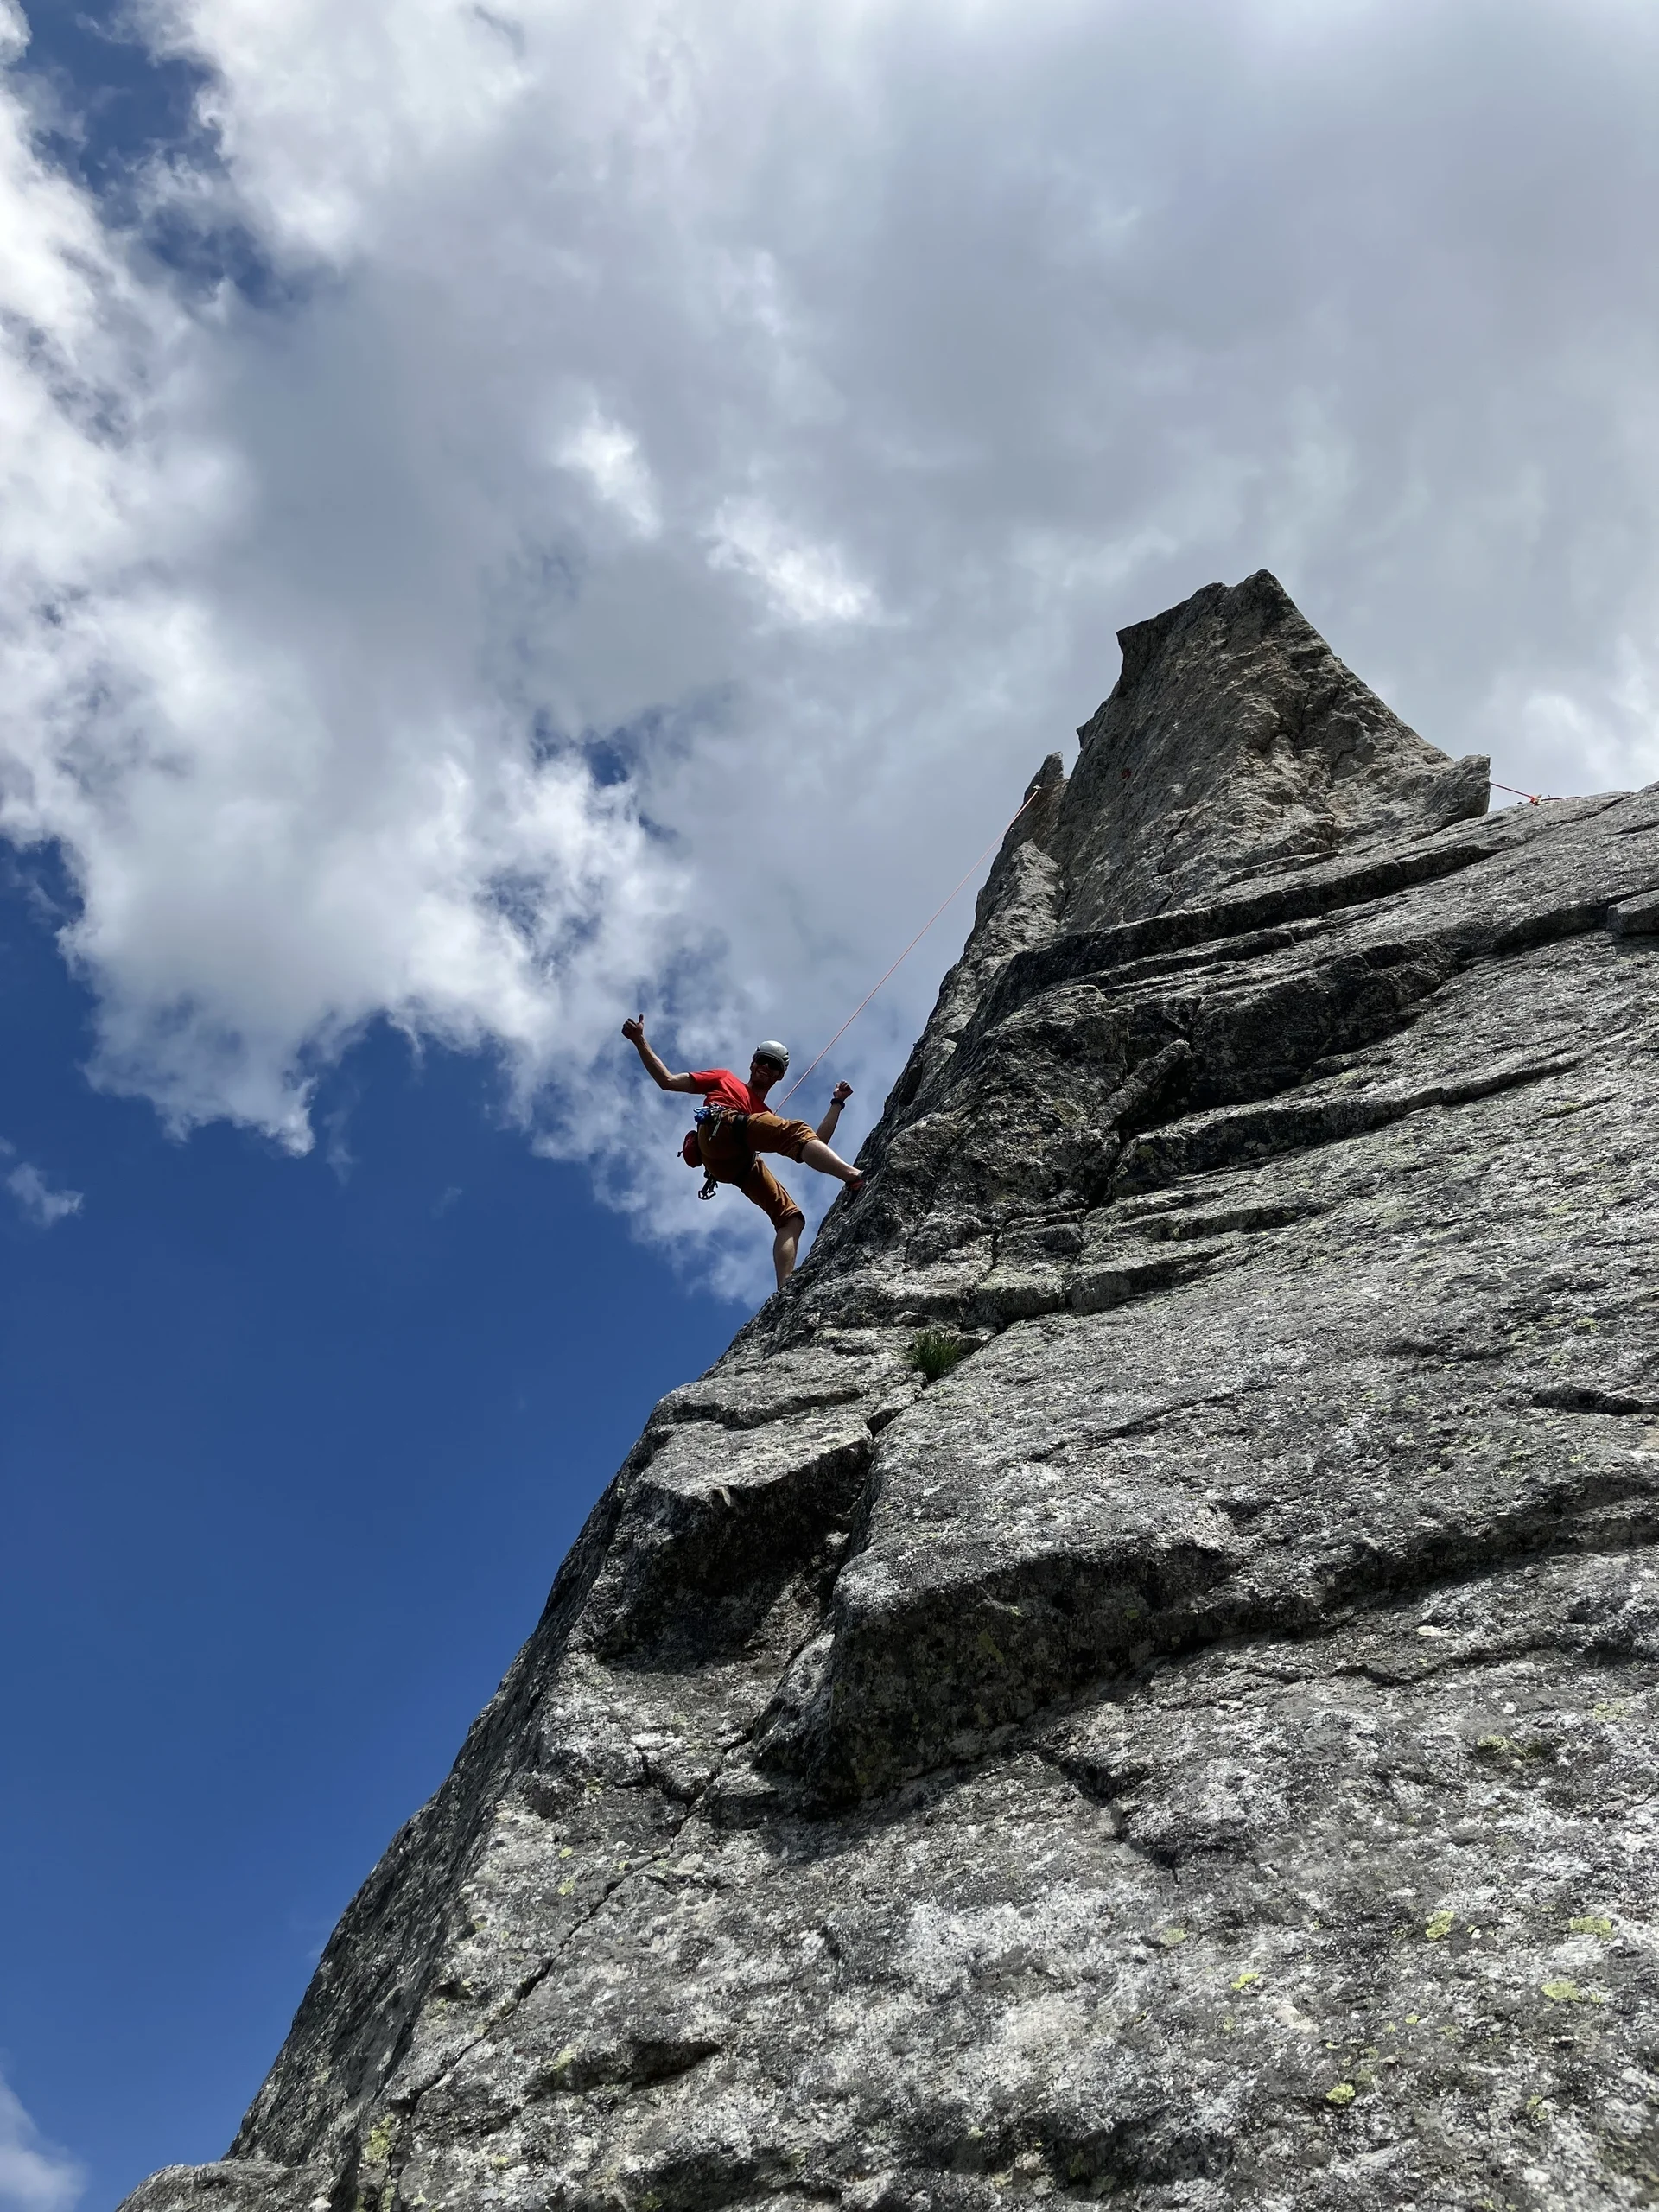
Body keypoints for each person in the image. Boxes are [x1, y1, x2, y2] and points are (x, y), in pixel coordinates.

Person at [622, 1018, 865, 1287]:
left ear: (779, 1075)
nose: (764, 1066)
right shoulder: (724, 1079)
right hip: (719, 1128)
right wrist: (639, 1040)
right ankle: (856, 1178)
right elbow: (667, 1081)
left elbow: (816, 1142)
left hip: (736, 1164)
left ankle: (784, 1290)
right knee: (794, 1131)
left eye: (773, 1064)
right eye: (761, 1060)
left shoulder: (765, 1117)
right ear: (752, 1063)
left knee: (791, 1218)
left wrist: (837, 1103)